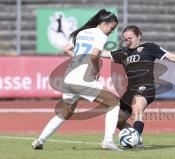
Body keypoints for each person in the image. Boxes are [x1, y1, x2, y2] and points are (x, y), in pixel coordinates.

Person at [101, 25, 175, 147]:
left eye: (130, 38)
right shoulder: (123, 53)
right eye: (125, 39)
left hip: (146, 87)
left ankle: (134, 138)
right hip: (130, 90)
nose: (127, 40)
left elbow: (170, 56)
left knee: (137, 108)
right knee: (117, 119)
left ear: (139, 36)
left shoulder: (149, 48)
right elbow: (103, 53)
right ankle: (135, 137)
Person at [32, 9, 121, 151]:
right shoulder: (101, 35)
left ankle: (39, 140)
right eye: (112, 28)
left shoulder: (82, 33)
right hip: (82, 79)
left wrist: (78, 59)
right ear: (104, 23)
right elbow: (94, 55)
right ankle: (108, 141)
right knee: (114, 103)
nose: (112, 31)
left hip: (69, 78)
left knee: (65, 112)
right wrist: (96, 70)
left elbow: (66, 48)